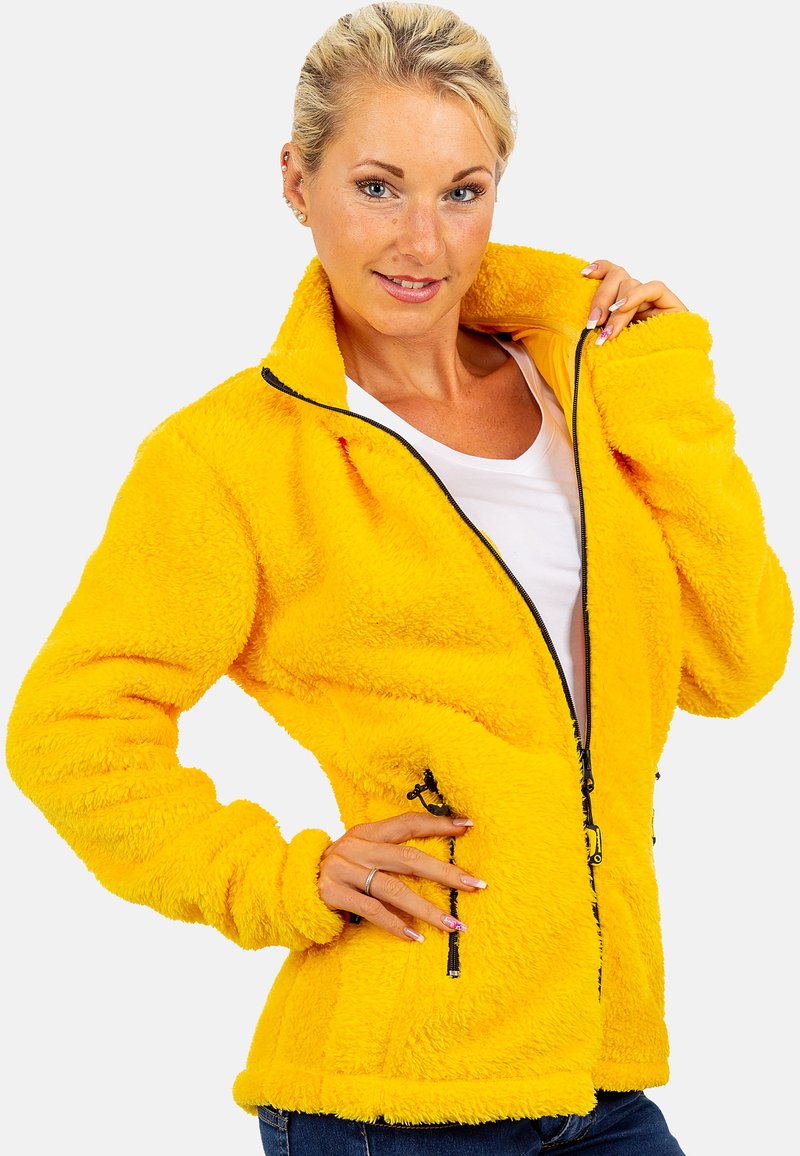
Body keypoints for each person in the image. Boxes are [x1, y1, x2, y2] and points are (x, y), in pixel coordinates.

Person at [5, 2, 793, 1153]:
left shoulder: (581, 388)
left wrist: (662, 382)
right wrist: (284, 877)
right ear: (296, 180)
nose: (421, 242)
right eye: (377, 187)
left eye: (460, 192)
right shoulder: (232, 460)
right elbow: (68, 727)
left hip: (597, 1073)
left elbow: (735, 663)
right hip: (394, 1093)